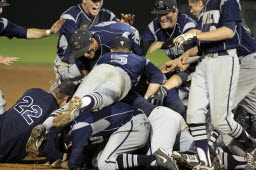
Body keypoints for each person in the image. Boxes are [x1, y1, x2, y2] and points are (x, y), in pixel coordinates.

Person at [172, 0, 256, 169]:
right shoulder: (208, 9)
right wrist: (183, 57)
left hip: (243, 60)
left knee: (221, 117)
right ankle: (205, 159)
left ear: (199, 2)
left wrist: (194, 37)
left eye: (191, 5)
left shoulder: (226, 3)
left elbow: (227, 32)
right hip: (221, 61)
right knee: (201, 115)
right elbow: (205, 42)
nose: (190, 9)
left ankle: (244, 147)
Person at [52, 34, 165, 127]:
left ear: (111, 50)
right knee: (147, 110)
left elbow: (92, 76)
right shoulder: (141, 59)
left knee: (87, 107)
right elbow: (157, 78)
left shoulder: (104, 57)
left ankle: (53, 124)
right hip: (122, 86)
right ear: (130, 51)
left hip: (101, 78)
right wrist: (147, 97)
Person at [49, 102, 179, 170]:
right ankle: (178, 157)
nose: (72, 145)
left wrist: (61, 163)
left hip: (132, 124)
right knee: (97, 160)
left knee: (104, 164)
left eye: (69, 145)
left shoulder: (77, 128)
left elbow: (73, 165)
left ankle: (154, 159)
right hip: (132, 123)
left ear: (69, 138)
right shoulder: (81, 120)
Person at [53, 0, 139, 86]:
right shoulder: (70, 17)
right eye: (94, 0)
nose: (97, 4)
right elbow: (79, 43)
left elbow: (116, 34)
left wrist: (124, 27)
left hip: (90, 61)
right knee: (64, 93)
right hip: (67, 63)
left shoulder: (107, 15)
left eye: (100, 1)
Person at [140, 0, 197, 115]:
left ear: (176, 11)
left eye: (165, 13)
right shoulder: (154, 26)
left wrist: (165, 44)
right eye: (159, 14)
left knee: (194, 111)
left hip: (197, 70)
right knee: (175, 106)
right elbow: (140, 53)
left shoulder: (186, 23)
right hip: (176, 71)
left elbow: (193, 37)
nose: (161, 18)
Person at [0, 80, 77, 162]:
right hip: (5, 150)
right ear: (66, 99)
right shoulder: (54, 114)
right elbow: (50, 152)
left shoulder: (33, 91)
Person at [0, 0, 65, 61]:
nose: (0, 10)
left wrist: (49, 31)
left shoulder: (2, 23)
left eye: (1, 7)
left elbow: (27, 33)